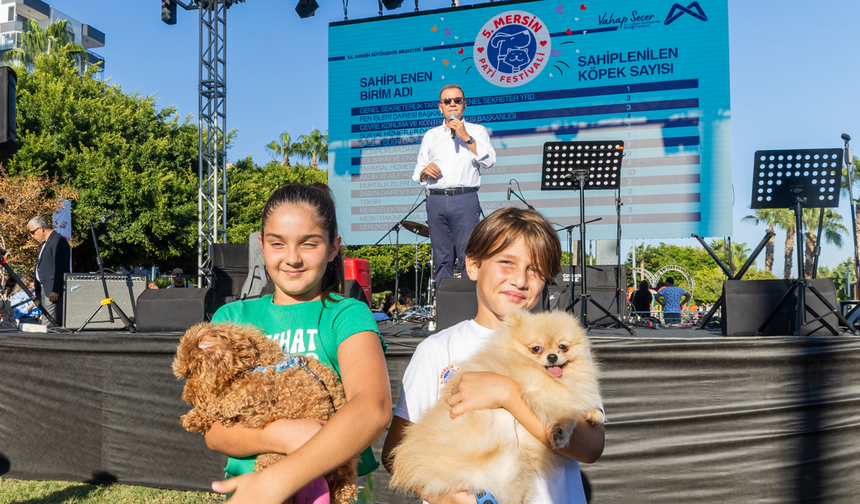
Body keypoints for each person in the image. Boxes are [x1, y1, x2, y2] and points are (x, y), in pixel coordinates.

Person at [382, 207, 605, 504]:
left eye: (535, 270)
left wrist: (509, 396)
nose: (520, 280)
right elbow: (395, 452)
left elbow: (590, 448)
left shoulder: (565, 349)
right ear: (473, 266)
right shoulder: (438, 350)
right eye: (506, 263)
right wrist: (444, 497)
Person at [203, 183, 391, 504]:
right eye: (278, 243)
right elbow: (213, 429)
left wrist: (281, 478)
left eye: (309, 244)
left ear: (334, 248)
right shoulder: (229, 318)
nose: (292, 258)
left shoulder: (346, 314)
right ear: (262, 245)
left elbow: (373, 407)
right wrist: (282, 433)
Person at [412, 84, 496, 285]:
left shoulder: (477, 131)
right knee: (441, 259)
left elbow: (489, 160)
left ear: (464, 106)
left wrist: (465, 136)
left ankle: (468, 307)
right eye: (447, 101)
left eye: (457, 100)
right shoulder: (431, 135)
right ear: (440, 107)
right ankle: (444, 309)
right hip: (436, 200)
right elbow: (418, 171)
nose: (452, 104)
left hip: (464, 199)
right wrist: (424, 172)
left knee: (468, 256)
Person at [28, 216, 71, 326]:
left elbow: (61, 267)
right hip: (44, 289)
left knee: (49, 325)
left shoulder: (58, 241)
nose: (32, 236)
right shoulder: (47, 243)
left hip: (51, 291)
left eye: (33, 232)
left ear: (41, 229)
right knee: (46, 322)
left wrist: (56, 289)